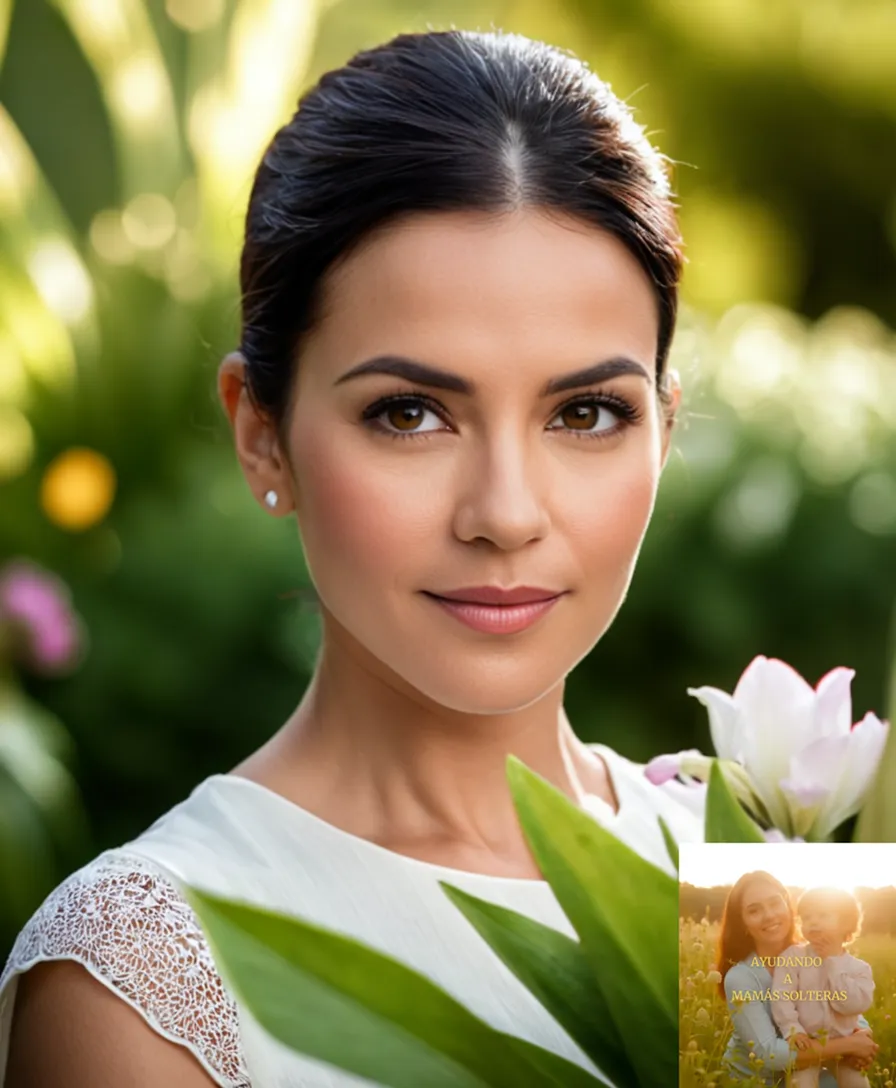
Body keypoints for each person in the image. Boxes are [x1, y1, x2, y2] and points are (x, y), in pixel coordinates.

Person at [0, 28, 704, 1088]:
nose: (504, 513)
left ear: (663, 425)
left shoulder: (755, 884)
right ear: (261, 433)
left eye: (586, 412)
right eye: (410, 412)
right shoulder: (141, 981)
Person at [716, 872, 878, 1086]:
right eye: (754, 910)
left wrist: (862, 1033)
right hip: (757, 1079)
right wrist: (849, 1045)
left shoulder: (815, 953)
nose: (769, 915)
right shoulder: (741, 977)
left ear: (788, 905)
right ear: (743, 922)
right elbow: (769, 1053)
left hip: (809, 1066)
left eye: (775, 903)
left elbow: (840, 1003)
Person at [770, 886, 874, 1088]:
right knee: (801, 1084)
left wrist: (832, 963)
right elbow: (782, 997)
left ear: (846, 923)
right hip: (808, 1043)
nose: (813, 922)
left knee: (858, 1083)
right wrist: (793, 1030)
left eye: (823, 915)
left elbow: (852, 1005)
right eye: (807, 917)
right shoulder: (793, 957)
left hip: (845, 1048)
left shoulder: (859, 969)